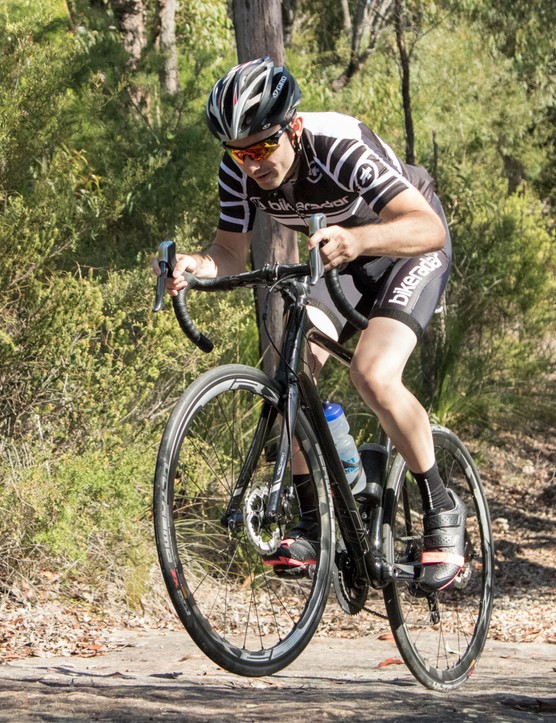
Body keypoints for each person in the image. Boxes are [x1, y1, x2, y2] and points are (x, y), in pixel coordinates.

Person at [154, 56, 466, 593]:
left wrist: (360, 239)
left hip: (404, 248)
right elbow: (228, 250)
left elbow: (427, 227)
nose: (251, 163)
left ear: (291, 127)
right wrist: (197, 267)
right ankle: (318, 513)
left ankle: (441, 504)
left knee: (372, 374)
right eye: (238, 151)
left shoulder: (337, 143)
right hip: (337, 255)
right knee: (290, 375)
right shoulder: (239, 171)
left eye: (261, 146)